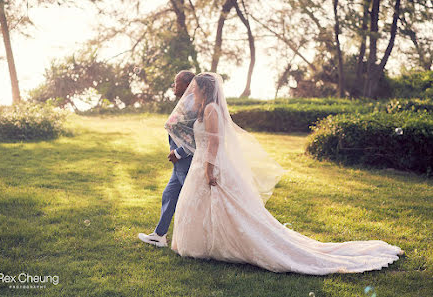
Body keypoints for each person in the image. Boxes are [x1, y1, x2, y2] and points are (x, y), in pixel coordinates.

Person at [166, 72, 404, 275]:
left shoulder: (211, 110)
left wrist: (209, 170)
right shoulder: (202, 109)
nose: (191, 91)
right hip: (200, 163)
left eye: (194, 87)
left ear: (204, 89)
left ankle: (224, 245)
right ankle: (206, 245)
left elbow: (215, 144)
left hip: (209, 165)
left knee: (227, 209)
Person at [138, 70, 196, 247]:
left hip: (187, 162)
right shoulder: (186, 102)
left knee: (195, 202)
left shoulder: (192, 105)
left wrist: (178, 153)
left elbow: (197, 136)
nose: (173, 85)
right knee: (169, 195)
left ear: (186, 85)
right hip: (179, 164)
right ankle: (159, 235)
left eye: (176, 82)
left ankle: (202, 240)